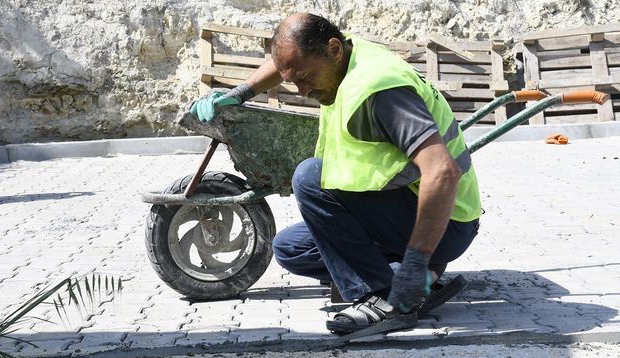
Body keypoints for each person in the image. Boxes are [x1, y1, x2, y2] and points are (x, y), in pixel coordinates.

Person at [191, 13, 481, 334]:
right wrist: (241, 92)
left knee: (310, 178)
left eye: (304, 77)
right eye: (293, 81)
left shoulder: (380, 90)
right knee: (290, 249)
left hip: (449, 222)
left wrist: (415, 262)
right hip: (402, 206)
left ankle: (386, 297)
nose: (301, 90)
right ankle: (421, 274)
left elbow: (443, 171)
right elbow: (288, 62)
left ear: (333, 50)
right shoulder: (339, 52)